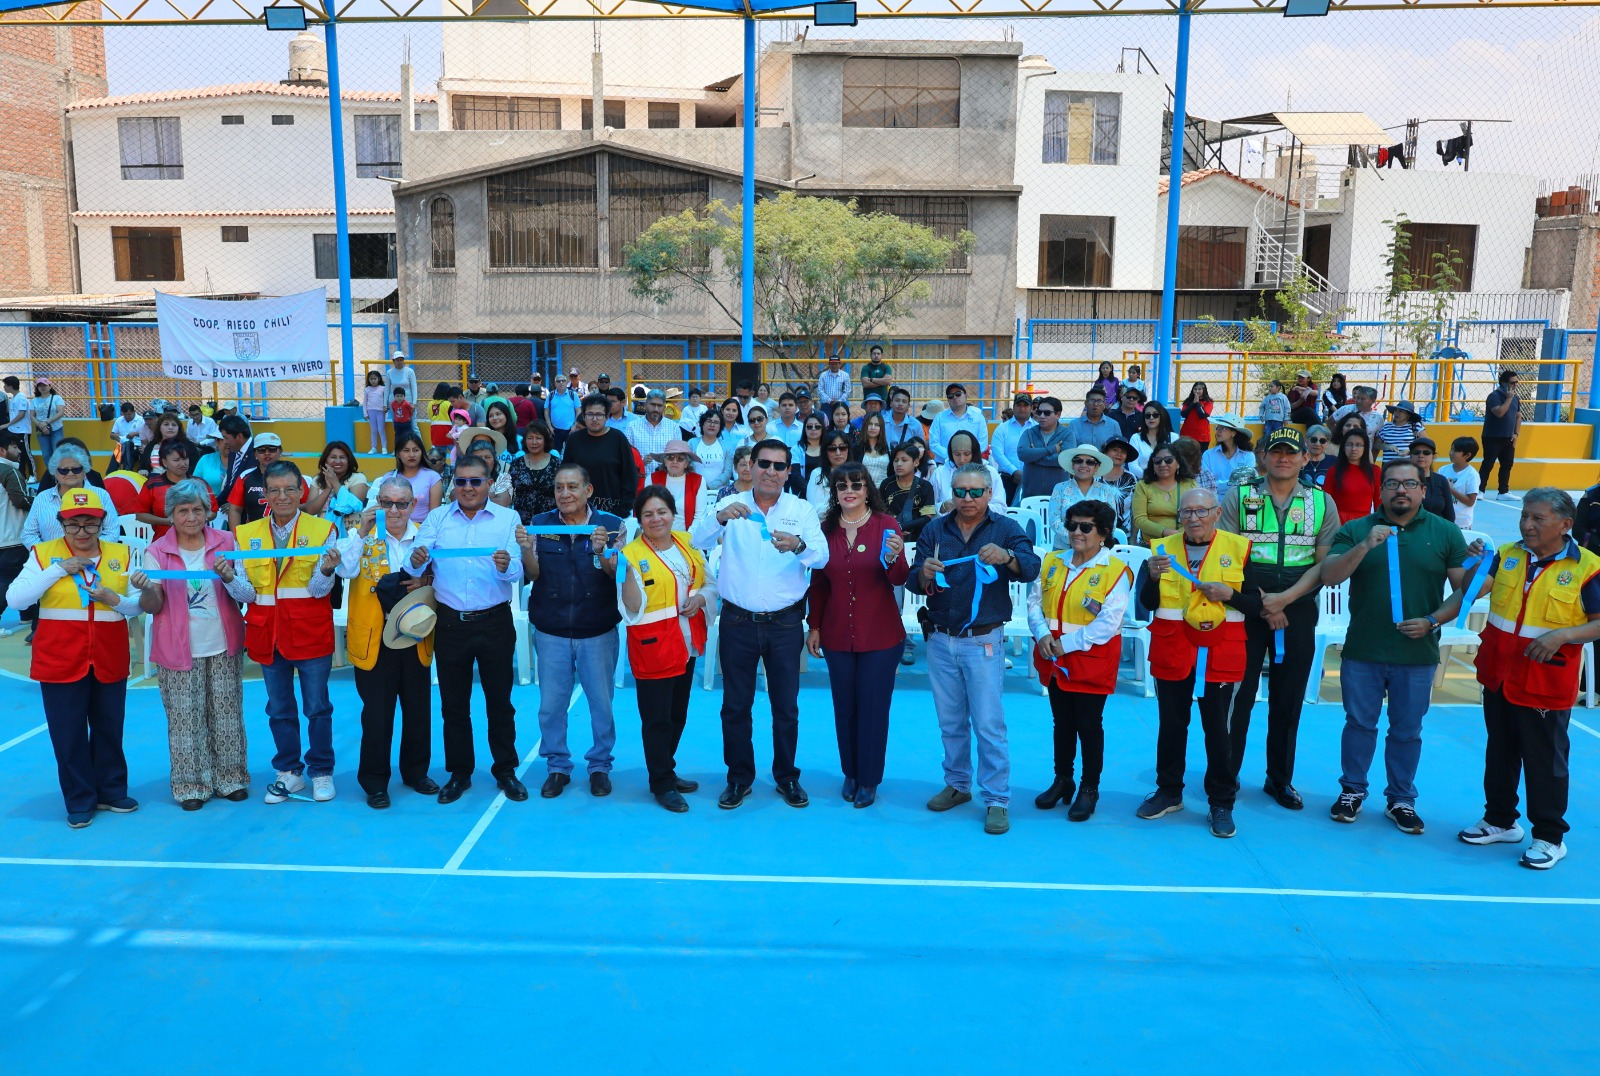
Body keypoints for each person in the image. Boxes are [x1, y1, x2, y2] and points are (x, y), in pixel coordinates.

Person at [1427, 488, 1600, 870]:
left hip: (1545, 683)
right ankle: (1500, 820)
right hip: (1498, 674)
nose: (1527, 524)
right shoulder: (1505, 555)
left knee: (1545, 761)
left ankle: (1550, 837)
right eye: (1525, 516)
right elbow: (1470, 592)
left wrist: (1561, 635)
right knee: (1500, 751)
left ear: (1565, 524)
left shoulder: (1588, 567)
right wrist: (1468, 571)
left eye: (1539, 518)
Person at [1317, 458, 1469, 835]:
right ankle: (1352, 790)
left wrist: (1434, 620)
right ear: (1380, 490)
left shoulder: (1446, 532)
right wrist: (1366, 544)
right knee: (1359, 724)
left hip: (1416, 654)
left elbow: (1465, 591)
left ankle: (1401, 798)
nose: (1400, 489)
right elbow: (1330, 575)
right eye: (1392, 484)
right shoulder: (1356, 529)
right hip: (1364, 649)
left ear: (1422, 489)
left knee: (1407, 730)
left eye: (1409, 483)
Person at [691, 439, 827, 811]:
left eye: (778, 466)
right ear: (749, 466)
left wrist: (799, 546)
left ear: (788, 472)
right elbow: (694, 538)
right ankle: (739, 779)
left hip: (785, 624)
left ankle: (786, 776)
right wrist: (718, 518)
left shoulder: (801, 510)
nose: (770, 471)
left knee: (786, 707)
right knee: (735, 706)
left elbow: (822, 556)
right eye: (763, 463)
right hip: (737, 621)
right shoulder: (729, 504)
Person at [909, 464, 1041, 835]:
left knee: (988, 724)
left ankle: (997, 799)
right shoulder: (935, 529)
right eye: (960, 491)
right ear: (951, 492)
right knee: (950, 721)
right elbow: (914, 579)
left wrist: (1008, 558)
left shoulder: (1006, 529)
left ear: (988, 492)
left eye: (975, 492)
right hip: (939, 638)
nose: (967, 499)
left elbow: (1031, 567)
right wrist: (924, 574)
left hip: (983, 639)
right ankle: (957, 784)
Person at [1220, 427, 1342, 810]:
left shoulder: (1323, 502)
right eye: (1276, 452)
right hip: (1246, 607)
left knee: (1288, 699)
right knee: (1236, 698)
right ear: (1262, 457)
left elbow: (1324, 564)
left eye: (1292, 452)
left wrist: (1284, 601)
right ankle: (1226, 774)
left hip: (1298, 607)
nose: (1283, 458)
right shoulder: (1239, 496)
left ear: (1306, 458)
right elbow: (1227, 555)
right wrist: (1261, 605)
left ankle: (1279, 780)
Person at [5, 488, 142, 827]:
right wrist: (57, 570)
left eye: (90, 524)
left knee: (110, 728)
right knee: (68, 733)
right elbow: (16, 599)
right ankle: (80, 797)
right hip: (60, 658)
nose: (82, 532)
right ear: (61, 523)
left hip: (109, 655)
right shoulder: (41, 554)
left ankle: (111, 790)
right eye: (74, 524)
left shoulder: (121, 554)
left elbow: (138, 604)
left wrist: (115, 600)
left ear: (101, 523)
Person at [1135, 487, 1255, 837]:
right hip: (1174, 650)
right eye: (1186, 512)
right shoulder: (1161, 551)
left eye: (1201, 512)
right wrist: (1154, 578)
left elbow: (1256, 604)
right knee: (1171, 726)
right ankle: (1169, 792)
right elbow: (1147, 602)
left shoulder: (1239, 548)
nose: (1193, 518)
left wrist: (1230, 594)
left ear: (1217, 513)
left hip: (1220, 652)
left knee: (1219, 731)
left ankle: (1221, 801)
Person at [406, 454, 524, 804]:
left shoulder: (508, 518)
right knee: (453, 705)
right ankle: (460, 773)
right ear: (452, 484)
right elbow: (417, 558)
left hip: (494, 621)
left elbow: (517, 569)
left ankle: (505, 770)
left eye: (475, 481)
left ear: (489, 483)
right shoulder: (437, 518)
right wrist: (416, 559)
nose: (468, 488)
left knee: (500, 703)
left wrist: (506, 566)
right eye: (461, 481)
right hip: (450, 623)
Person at [130, 479, 252, 810]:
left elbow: (247, 594)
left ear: (208, 513)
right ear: (170, 515)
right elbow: (154, 606)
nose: (191, 516)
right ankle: (190, 785)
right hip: (177, 649)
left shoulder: (227, 541)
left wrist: (229, 576)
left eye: (197, 509)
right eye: (182, 510)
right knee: (185, 721)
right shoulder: (157, 551)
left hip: (224, 644)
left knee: (227, 715)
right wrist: (145, 589)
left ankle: (232, 779)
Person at [234, 461, 340, 803]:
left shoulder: (324, 530)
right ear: (264, 494)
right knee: (278, 709)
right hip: (268, 634)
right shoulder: (246, 535)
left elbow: (320, 590)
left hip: (309, 631)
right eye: (275, 490)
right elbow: (247, 594)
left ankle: (321, 772)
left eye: (290, 489)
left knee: (317, 707)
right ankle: (289, 772)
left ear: (301, 492)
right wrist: (227, 578)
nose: (283, 496)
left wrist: (325, 570)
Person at [516, 463, 624, 797]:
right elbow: (532, 574)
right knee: (550, 704)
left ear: (588, 490)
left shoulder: (613, 525)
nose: (565, 494)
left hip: (598, 628)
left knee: (601, 704)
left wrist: (602, 551)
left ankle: (600, 766)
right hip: (551, 628)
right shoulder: (539, 524)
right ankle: (558, 766)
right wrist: (523, 549)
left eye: (573, 487)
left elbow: (614, 574)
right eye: (560, 487)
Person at [806, 461, 908, 810]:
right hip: (836, 635)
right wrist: (814, 626)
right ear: (834, 493)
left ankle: (869, 778)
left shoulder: (886, 525)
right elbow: (818, 583)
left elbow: (899, 579)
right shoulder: (825, 529)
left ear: (868, 490)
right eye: (842, 486)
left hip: (881, 637)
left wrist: (895, 559)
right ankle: (850, 772)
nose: (849, 491)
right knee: (844, 707)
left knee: (873, 709)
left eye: (857, 485)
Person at [337, 476, 438, 808]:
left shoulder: (425, 534)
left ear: (413, 505)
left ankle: (415, 772)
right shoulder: (360, 535)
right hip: (374, 640)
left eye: (401, 503)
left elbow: (441, 577)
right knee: (377, 715)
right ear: (376, 502)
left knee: (418, 711)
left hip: (415, 634)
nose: (394, 510)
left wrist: (426, 578)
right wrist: (361, 533)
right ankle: (375, 782)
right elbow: (345, 571)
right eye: (387, 502)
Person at [1028, 499, 1129, 823]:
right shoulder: (1053, 562)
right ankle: (1063, 779)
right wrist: (1042, 634)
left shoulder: (1115, 571)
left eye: (1086, 527)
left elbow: (1108, 624)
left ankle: (1089, 787)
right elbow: (1035, 602)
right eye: (1072, 525)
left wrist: (1064, 644)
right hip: (1055, 659)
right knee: (1062, 723)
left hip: (1090, 660)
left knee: (1088, 725)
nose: (1077, 532)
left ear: (1103, 533)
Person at [618, 485, 715, 812]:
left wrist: (701, 598)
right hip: (654, 647)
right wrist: (621, 567)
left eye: (662, 511)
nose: (656, 518)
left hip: (686, 644)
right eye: (648, 514)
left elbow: (708, 583)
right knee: (657, 718)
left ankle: (666, 769)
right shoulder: (630, 554)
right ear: (639, 520)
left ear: (673, 514)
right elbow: (630, 605)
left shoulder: (687, 543)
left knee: (677, 714)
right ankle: (660, 782)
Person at [24, 443, 122, 545]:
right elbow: (29, 534)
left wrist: (87, 552)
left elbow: (112, 533)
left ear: (85, 471)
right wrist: (47, 554)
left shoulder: (101, 495)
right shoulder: (42, 498)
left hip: (92, 558)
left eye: (76, 469)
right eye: (64, 470)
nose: (70, 474)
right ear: (54, 473)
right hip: (50, 559)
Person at [561, 393, 639, 517]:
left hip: (613, 511)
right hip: (578, 509)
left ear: (607, 416)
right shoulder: (574, 440)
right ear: (584, 416)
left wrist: (624, 508)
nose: (594, 419)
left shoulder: (618, 438)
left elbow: (629, 475)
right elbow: (565, 473)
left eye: (599, 414)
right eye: (590, 414)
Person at [133, 441, 212, 539]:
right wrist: (168, 521)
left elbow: (213, 511)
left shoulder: (200, 484)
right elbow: (140, 515)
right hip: (163, 541)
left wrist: (196, 519)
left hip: (199, 540)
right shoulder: (152, 485)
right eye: (176, 460)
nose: (182, 463)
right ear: (165, 462)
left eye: (185, 459)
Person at [1047, 444, 1120, 549]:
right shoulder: (1060, 488)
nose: (1083, 465)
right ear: (1073, 465)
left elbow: (1111, 522)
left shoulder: (1106, 491)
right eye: (1078, 461)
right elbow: (1054, 520)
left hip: (1095, 550)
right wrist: (1076, 539)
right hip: (1064, 548)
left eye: (1090, 462)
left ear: (1096, 467)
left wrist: (1090, 542)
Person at [226, 433, 306, 529]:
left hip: (291, 531)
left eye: (272, 449)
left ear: (280, 451)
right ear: (255, 454)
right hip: (254, 536)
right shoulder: (245, 477)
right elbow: (235, 509)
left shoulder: (294, 476)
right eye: (261, 450)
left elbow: (307, 507)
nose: (267, 453)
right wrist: (236, 537)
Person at [368, 431, 443, 525]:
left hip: (422, 530)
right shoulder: (389, 477)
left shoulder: (433, 477)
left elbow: (435, 516)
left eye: (416, 450)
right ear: (398, 454)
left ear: (421, 452)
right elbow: (382, 509)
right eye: (406, 450)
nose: (411, 455)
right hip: (393, 529)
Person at [1133, 446, 1197, 546]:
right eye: (1158, 461)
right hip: (1150, 545)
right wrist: (1166, 532)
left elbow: (1195, 515)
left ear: (1178, 464)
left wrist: (1179, 534)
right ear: (1152, 464)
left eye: (1168, 460)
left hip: (1182, 542)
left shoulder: (1190, 485)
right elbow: (1139, 519)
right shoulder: (1143, 486)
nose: (1163, 464)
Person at [0, 432, 31, 636]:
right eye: (14, 447)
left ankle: (28, 614)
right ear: (2, 451)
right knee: (9, 581)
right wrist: (42, 502)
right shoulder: (9, 472)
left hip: (3, 537)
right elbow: (20, 500)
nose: (19, 451)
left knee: (23, 578)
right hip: (13, 537)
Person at [932, 430, 1004, 514]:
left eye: (966, 454)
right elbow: (929, 508)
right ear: (951, 454)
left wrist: (973, 506)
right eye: (957, 454)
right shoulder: (940, 473)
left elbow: (1000, 508)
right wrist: (943, 507)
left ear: (974, 453)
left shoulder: (990, 472)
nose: (962, 460)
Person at [306, 441, 370, 533]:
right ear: (326, 460)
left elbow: (353, 506)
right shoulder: (317, 480)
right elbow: (310, 510)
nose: (338, 461)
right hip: (321, 530)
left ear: (349, 460)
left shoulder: (358, 478)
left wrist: (335, 482)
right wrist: (328, 489)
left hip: (350, 530)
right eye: (333, 457)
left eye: (342, 457)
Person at [1324, 427, 1380, 527]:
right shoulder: (1333, 471)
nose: (1353, 449)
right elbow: (1327, 502)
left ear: (1365, 448)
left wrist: (1379, 524)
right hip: (1338, 522)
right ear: (1343, 447)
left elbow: (1379, 502)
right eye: (1349, 444)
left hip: (1365, 523)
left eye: (1358, 445)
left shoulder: (1375, 471)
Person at [1016, 396, 1071, 499]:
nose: (1041, 416)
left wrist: (1034, 457)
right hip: (1030, 496)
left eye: (1047, 413)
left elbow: (1065, 460)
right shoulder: (1029, 433)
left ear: (1058, 415)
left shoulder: (1067, 435)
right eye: (1039, 412)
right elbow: (1023, 454)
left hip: (1058, 497)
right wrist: (1052, 449)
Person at [1479, 369, 1521, 499]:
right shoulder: (1494, 397)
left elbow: (1518, 416)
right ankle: (1480, 490)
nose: (1514, 385)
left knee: (1507, 464)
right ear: (1503, 383)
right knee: (1488, 463)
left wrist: (1516, 434)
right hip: (1492, 436)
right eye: (1512, 383)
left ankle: (1503, 491)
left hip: (1508, 437)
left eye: (1516, 383)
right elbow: (1499, 413)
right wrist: (1508, 399)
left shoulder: (1516, 398)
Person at [508, 420, 559, 524]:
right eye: (530, 438)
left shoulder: (557, 464)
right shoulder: (516, 464)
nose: (534, 442)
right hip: (521, 523)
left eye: (538, 438)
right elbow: (509, 492)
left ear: (545, 440)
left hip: (551, 522)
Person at [650, 440, 705, 530]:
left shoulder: (698, 481)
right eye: (670, 457)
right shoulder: (652, 479)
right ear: (665, 461)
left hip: (687, 536)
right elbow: (647, 511)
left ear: (686, 463)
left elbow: (700, 517)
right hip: (657, 534)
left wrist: (687, 537)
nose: (675, 461)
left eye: (680, 458)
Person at [927, 384, 988, 464]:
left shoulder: (978, 418)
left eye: (958, 394)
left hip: (972, 465)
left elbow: (982, 443)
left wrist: (966, 457)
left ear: (966, 395)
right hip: (945, 464)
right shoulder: (939, 418)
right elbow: (934, 444)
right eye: (950, 396)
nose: (955, 397)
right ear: (948, 400)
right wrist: (953, 457)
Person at [990, 394, 1034, 505]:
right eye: (1019, 405)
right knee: (1008, 512)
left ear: (1031, 408)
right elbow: (998, 454)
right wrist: (1014, 471)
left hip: (1033, 479)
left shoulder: (1037, 428)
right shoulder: (1002, 429)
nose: (1022, 408)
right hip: (1008, 479)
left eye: (1025, 405)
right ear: (1013, 407)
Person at [626, 388, 677, 475]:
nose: (656, 409)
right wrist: (641, 463)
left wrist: (664, 465)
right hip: (640, 479)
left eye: (659, 406)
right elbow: (626, 456)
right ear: (645, 405)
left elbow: (677, 455)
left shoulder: (673, 427)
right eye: (653, 405)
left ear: (664, 408)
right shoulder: (632, 427)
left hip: (665, 480)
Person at [1407, 437, 1456, 522]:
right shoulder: (1402, 480)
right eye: (1416, 452)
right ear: (1410, 455)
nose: (1421, 456)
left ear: (1434, 457)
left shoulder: (1441, 480)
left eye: (1426, 453)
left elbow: (1450, 515)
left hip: (1437, 531)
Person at [1438, 436, 1481, 530]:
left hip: (1461, 523)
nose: (1450, 453)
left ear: (1467, 455)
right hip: (1442, 520)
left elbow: (1470, 502)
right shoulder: (1443, 470)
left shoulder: (1472, 475)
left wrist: (1450, 490)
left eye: (1455, 451)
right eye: (1451, 449)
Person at [1101, 435, 1140, 536]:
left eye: (1123, 452)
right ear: (1105, 452)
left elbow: (1135, 510)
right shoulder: (1094, 476)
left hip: (1124, 535)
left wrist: (1133, 538)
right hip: (1096, 535)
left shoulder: (1131, 478)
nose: (1119, 454)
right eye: (1115, 450)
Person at [807, 430, 854, 513]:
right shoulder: (817, 474)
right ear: (825, 452)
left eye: (842, 448)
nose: (838, 453)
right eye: (832, 449)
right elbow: (815, 508)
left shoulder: (856, 473)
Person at [1201, 415, 1252, 487]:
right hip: (1214, 497)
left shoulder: (1248, 456)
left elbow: (1247, 482)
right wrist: (1233, 483)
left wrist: (1217, 484)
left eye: (1223, 428)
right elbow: (1206, 483)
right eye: (1217, 427)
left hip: (1238, 497)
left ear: (1233, 433)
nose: (1218, 431)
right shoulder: (1208, 455)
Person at [215, 414, 253, 505]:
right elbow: (230, 486)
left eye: (226, 438)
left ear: (239, 436)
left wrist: (235, 504)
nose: (224, 442)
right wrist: (213, 505)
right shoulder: (233, 451)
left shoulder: (258, 452)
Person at [30, 377, 66, 465]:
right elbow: (31, 415)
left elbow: (60, 412)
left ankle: (59, 473)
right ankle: (51, 475)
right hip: (41, 429)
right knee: (46, 454)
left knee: (57, 452)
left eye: (45, 385)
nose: (43, 387)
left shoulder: (57, 398)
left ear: (50, 386)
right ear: (37, 388)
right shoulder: (34, 400)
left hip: (56, 428)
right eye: (40, 386)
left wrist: (46, 422)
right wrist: (40, 425)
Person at [691, 409, 729, 487]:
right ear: (702, 424)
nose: (712, 425)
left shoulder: (727, 446)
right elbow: (688, 467)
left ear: (720, 427)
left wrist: (710, 486)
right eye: (709, 421)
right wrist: (699, 486)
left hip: (720, 490)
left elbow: (728, 472)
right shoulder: (692, 443)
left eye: (716, 422)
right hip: (695, 488)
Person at [3, 375, 31, 480]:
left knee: (26, 453)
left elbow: (21, 414)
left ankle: (33, 474)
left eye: (5, 385)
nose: (4, 387)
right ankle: (22, 474)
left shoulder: (21, 398)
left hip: (22, 430)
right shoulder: (14, 398)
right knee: (19, 454)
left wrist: (7, 424)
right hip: (14, 430)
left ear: (10, 385)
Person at [548, 373, 583, 450]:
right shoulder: (551, 395)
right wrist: (549, 426)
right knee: (556, 453)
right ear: (555, 383)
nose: (561, 383)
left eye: (563, 381)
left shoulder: (573, 394)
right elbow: (546, 411)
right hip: (555, 430)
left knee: (571, 452)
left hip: (570, 430)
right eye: (558, 381)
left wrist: (575, 425)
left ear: (566, 383)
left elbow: (578, 410)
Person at [384, 351, 418, 426]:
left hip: (408, 402)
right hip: (394, 403)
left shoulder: (410, 371)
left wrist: (414, 403)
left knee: (413, 425)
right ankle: (399, 438)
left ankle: (417, 438)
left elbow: (414, 387)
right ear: (393, 361)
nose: (399, 362)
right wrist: (385, 404)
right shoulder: (389, 372)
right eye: (397, 360)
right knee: (397, 425)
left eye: (401, 359)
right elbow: (387, 389)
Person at [361, 370, 389, 454]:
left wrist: (386, 408)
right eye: (371, 379)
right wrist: (365, 413)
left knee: (381, 429)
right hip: (371, 411)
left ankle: (384, 447)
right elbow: (364, 402)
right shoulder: (367, 389)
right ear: (368, 380)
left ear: (379, 378)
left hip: (380, 411)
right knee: (373, 430)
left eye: (375, 378)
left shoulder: (383, 388)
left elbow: (386, 400)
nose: (373, 381)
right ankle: (374, 447)